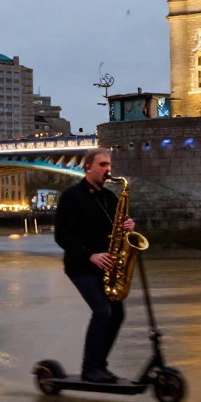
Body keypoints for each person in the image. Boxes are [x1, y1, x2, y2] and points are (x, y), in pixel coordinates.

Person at [54, 147, 135, 383]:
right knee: (102, 311)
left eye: (109, 164)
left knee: (117, 315)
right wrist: (90, 255)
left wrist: (129, 227)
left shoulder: (110, 198)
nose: (107, 169)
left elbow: (117, 229)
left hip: (108, 266)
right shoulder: (71, 197)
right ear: (88, 167)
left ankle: (100, 365)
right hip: (81, 266)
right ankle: (89, 368)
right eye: (102, 165)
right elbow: (62, 236)